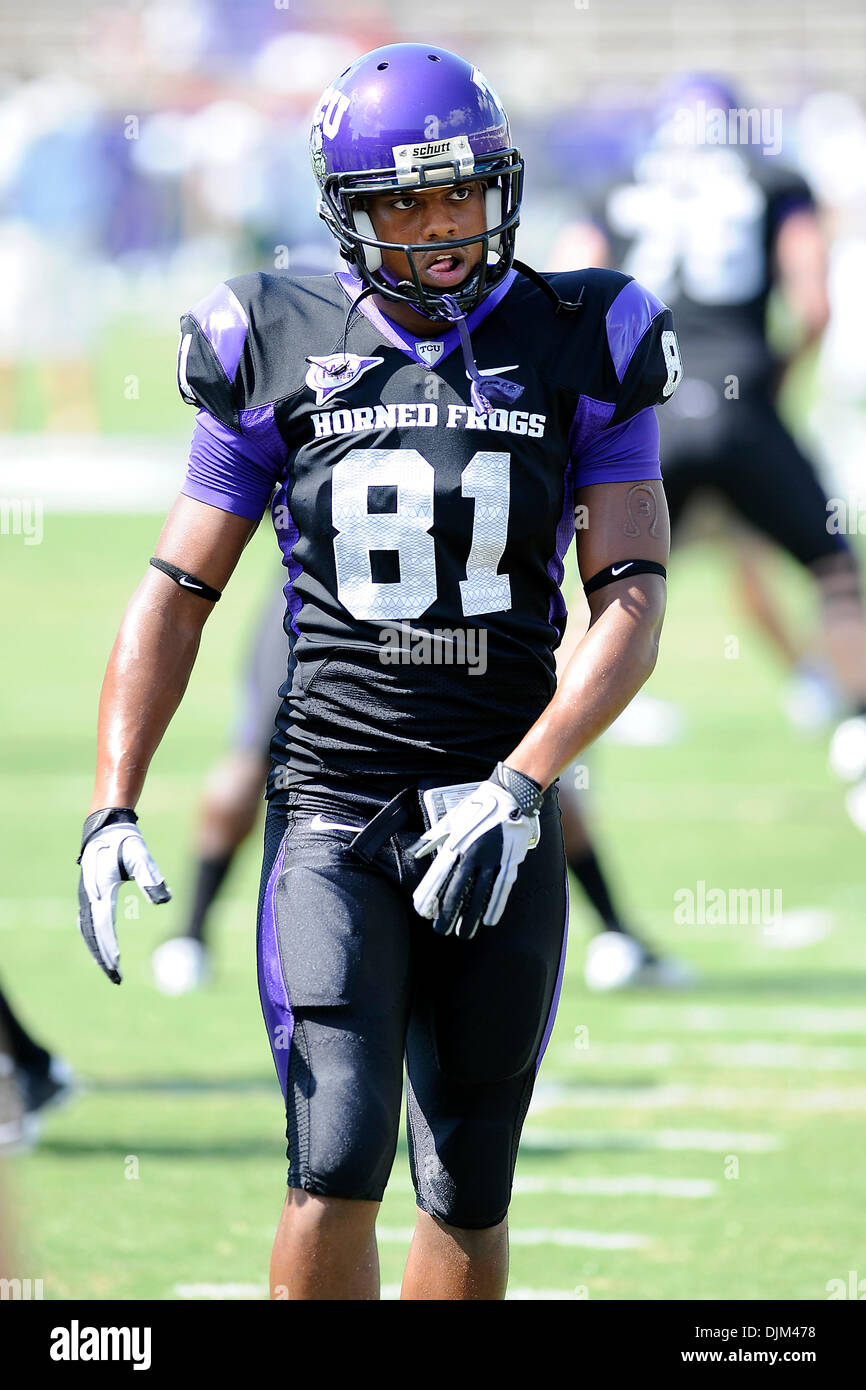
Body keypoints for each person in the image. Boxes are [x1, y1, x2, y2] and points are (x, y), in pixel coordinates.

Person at [77, 43, 678, 1300]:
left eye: (460, 191)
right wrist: (111, 798)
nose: (443, 224)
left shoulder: (585, 334)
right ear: (347, 213)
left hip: (497, 816)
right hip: (332, 813)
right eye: (405, 201)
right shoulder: (269, 336)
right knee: (333, 1159)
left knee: (468, 1177)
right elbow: (179, 590)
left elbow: (630, 597)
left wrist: (521, 784)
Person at [561, 74, 866, 826]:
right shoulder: (772, 179)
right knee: (832, 573)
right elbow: (815, 300)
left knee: (600, 591)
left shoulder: (620, 184)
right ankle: (857, 726)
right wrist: (774, 377)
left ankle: (557, 751)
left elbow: (565, 296)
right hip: (745, 408)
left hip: (648, 422)